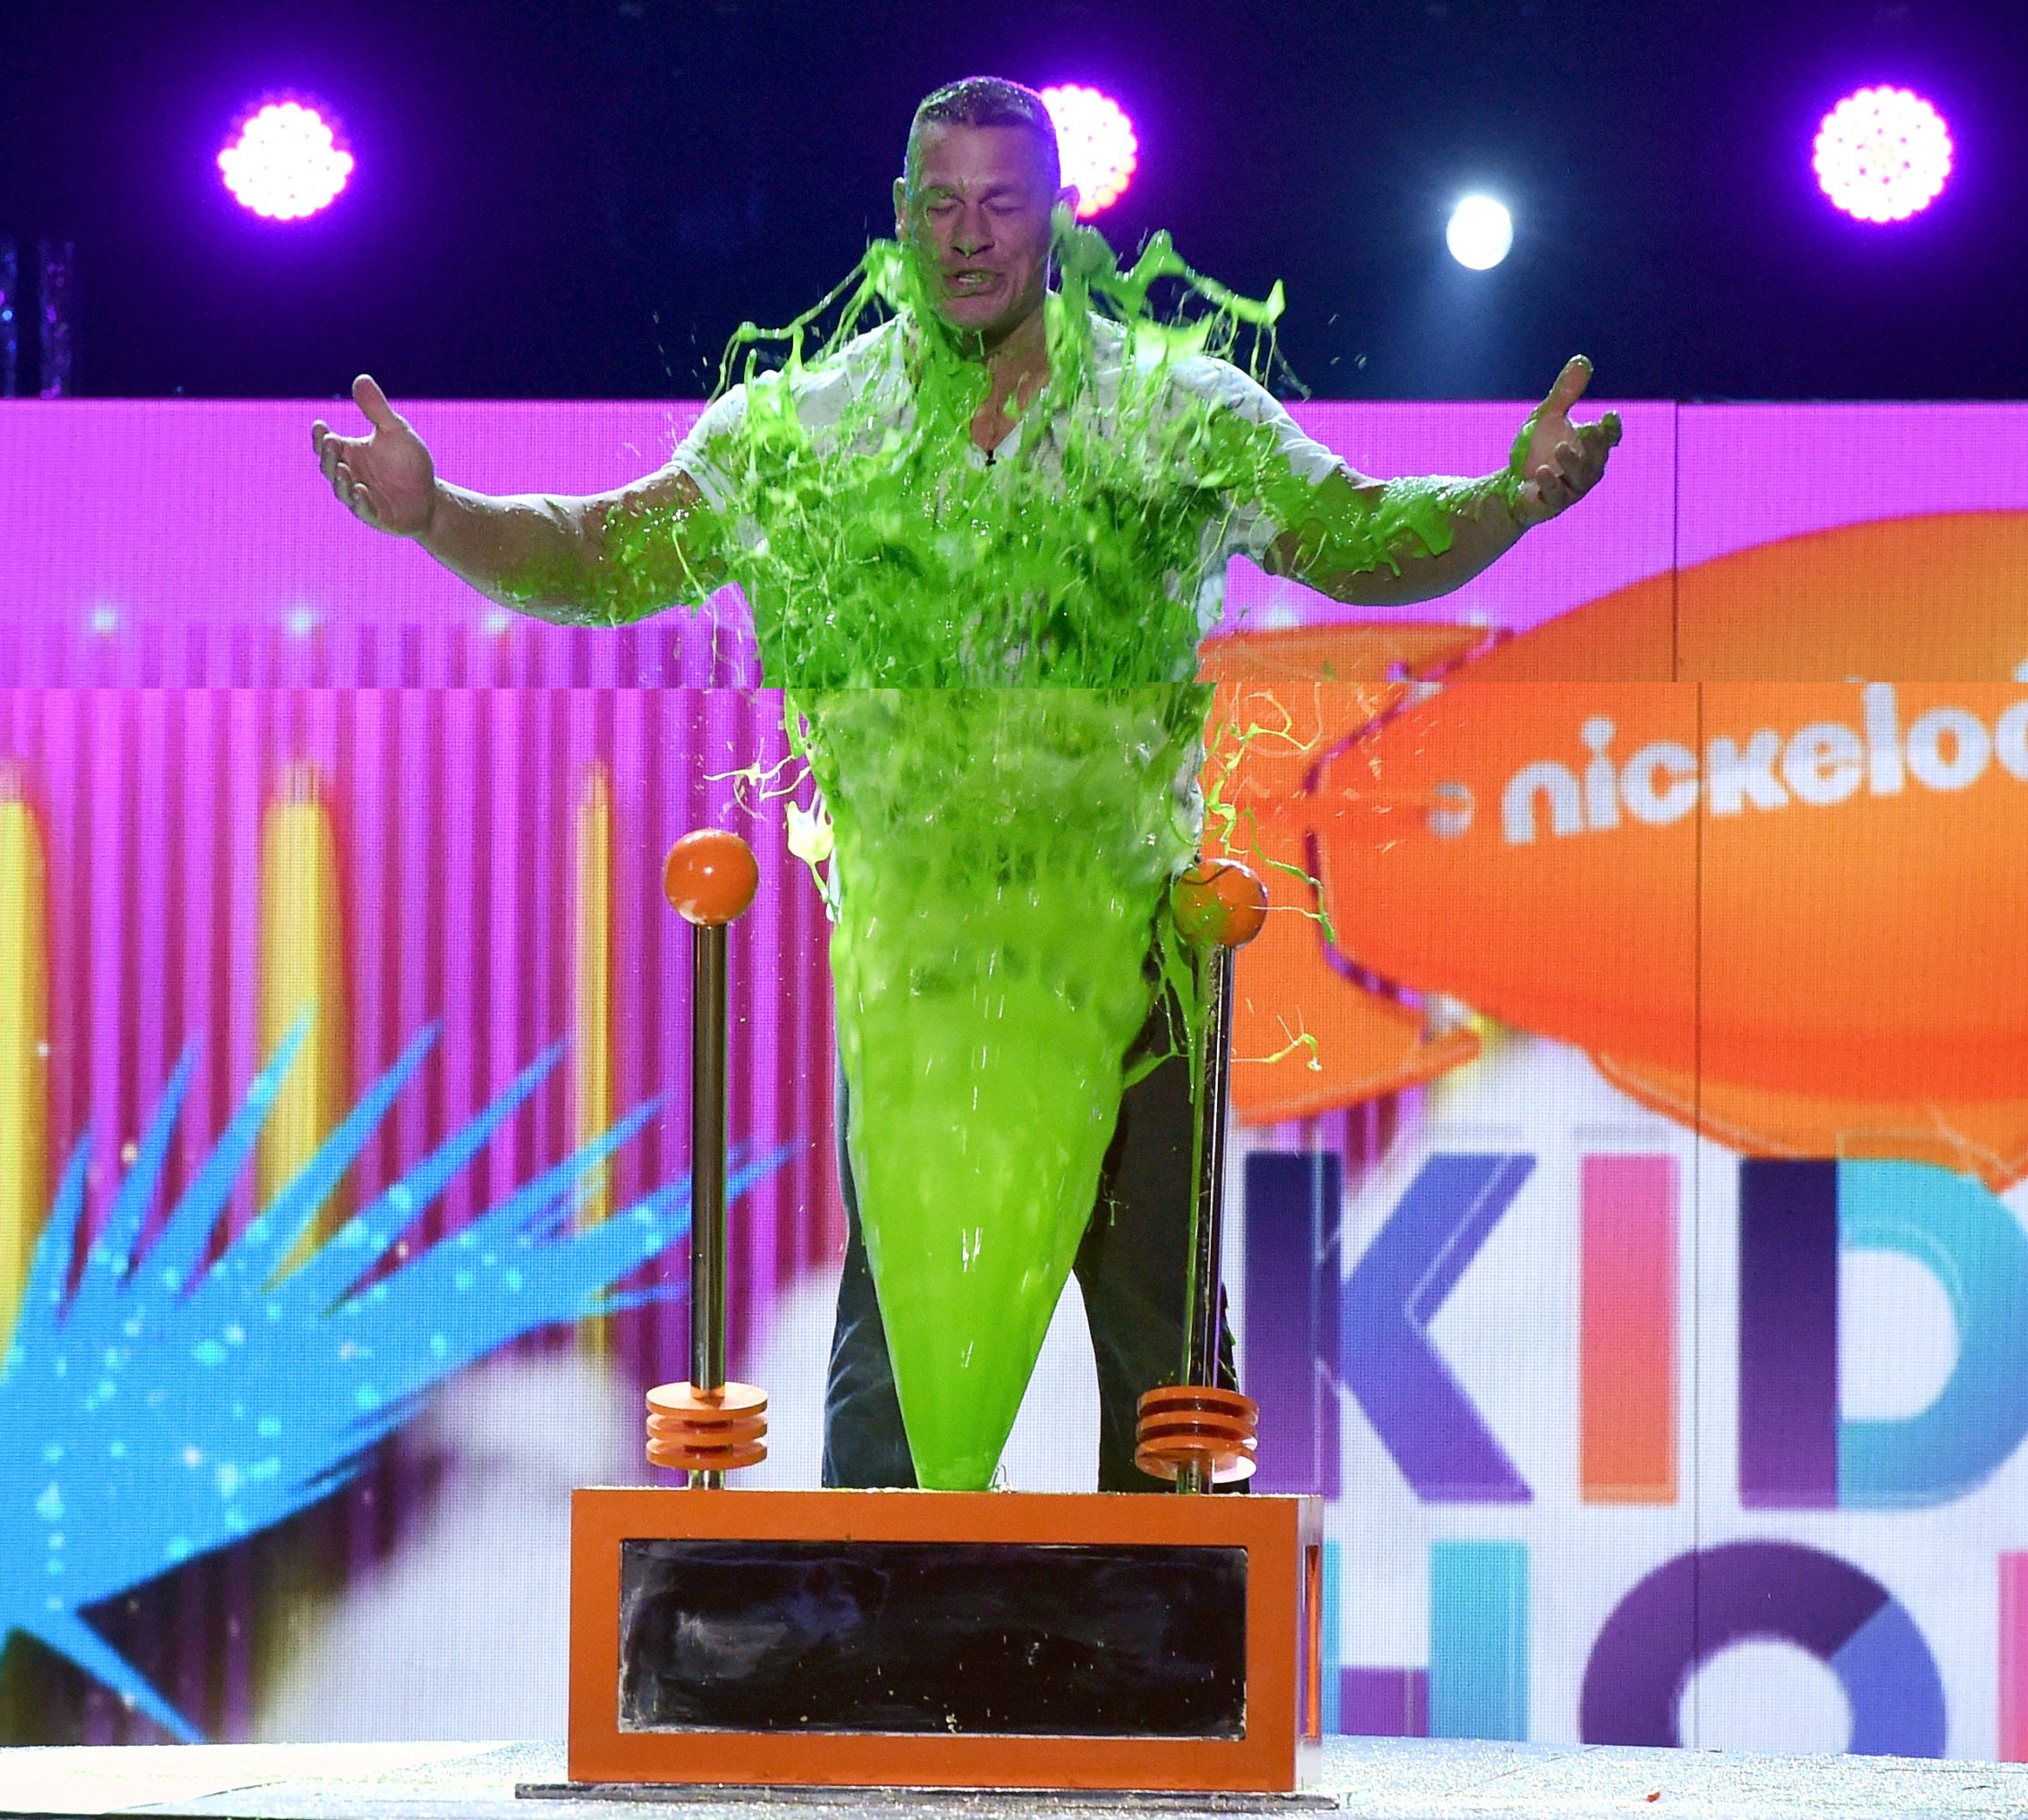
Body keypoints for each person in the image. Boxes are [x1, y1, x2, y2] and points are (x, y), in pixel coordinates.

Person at [313, 76, 1618, 1491]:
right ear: (898, 218)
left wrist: (1505, 500)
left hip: (1132, 962)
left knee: (1171, 1362)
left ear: (1057, 216)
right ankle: (870, 1678)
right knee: (898, 1370)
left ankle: (1169, 1684)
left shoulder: (1171, 411)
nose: (969, 235)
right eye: (941, 204)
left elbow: (1358, 541)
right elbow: (601, 557)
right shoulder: (804, 427)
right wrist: (438, 516)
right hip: (922, 977)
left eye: (1002, 203)